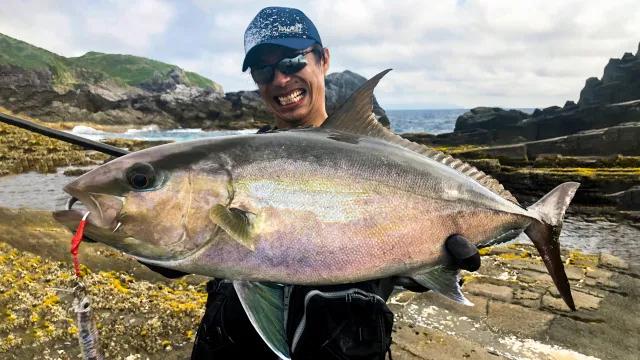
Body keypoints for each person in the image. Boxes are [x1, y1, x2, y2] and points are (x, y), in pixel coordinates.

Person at [164, 6, 481, 360]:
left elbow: (405, 228)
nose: (280, 80)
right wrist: (154, 234)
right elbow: (200, 240)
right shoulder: (233, 164)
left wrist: (426, 265)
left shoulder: (383, 161)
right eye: (264, 70)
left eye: (292, 61)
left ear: (323, 59)